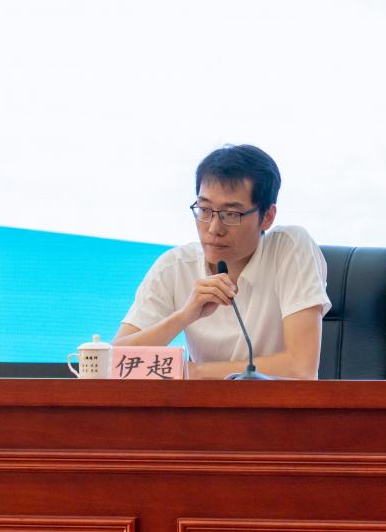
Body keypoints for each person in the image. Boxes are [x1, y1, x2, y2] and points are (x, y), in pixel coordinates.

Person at [114, 145, 330, 379]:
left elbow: (301, 368)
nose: (214, 228)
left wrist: (195, 373)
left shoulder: (290, 248)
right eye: (204, 210)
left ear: (267, 216)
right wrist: (185, 316)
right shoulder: (174, 267)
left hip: (277, 403)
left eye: (231, 214)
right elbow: (113, 362)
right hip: (203, 403)